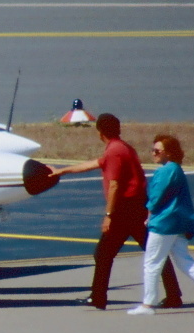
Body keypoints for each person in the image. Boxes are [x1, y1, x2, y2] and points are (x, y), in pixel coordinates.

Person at [49, 113, 180, 310]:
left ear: (99, 132)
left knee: (103, 254)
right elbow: (95, 163)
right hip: (137, 207)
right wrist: (62, 171)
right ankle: (173, 295)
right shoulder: (122, 147)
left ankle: (99, 297)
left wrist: (109, 215)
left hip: (126, 209)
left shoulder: (115, 151)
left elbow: (115, 185)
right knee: (154, 252)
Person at [128, 135, 194, 315]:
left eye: (157, 151)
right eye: (153, 150)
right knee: (185, 260)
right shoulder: (176, 169)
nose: (153, 153)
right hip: (177, 224)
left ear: (168, 153)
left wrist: (148, 214)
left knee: (152, 262)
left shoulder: (166, 171)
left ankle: (148, 304)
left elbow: (156, 196)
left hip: (164, 224)